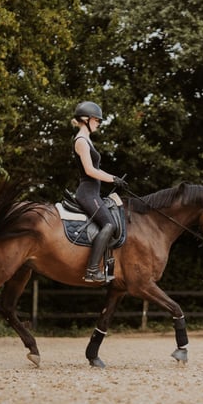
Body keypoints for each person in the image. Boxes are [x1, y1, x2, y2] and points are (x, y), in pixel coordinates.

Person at [70, 101, 128, 282]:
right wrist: (112, 179)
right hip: (87, 193)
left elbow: (98, 170)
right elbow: (89, 170)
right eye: (96, 120)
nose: (98, 123)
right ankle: (92, 270)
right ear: (86, 119)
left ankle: (107, 267)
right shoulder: (81, 141)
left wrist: (115, 178)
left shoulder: (87, 140)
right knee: (109, 224)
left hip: (93, 192)